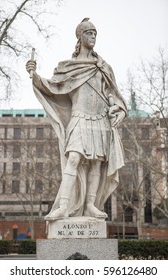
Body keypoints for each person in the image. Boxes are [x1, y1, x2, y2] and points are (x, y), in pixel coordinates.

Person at [26, 18, 127, 221]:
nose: (93, 37)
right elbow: (52, 87)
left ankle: (90, 205)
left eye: (95, 34)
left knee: (96, 163)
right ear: (80, 37)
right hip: (79, 118)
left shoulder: (103, 67)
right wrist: (34, 74)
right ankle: (64, 206)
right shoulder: (69, 67)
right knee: (73, 159)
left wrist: (121, 111)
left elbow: (114, 95)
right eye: (89, 33)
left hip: (100, 120)